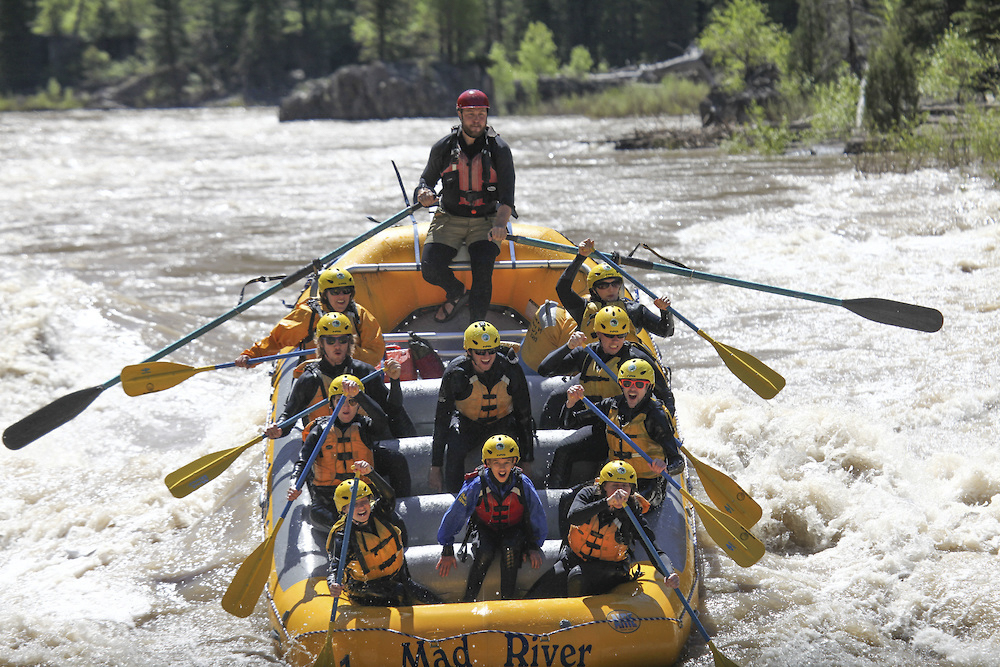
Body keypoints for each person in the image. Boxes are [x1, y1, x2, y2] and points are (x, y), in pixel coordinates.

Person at [267, 312, 413, 494]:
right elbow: (289, 416)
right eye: (330, 341)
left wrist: (395, 381)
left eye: (343, 340)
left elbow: (392, 410)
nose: (337, 346)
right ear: (320, 343)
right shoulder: (309, 379)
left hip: (362, 445)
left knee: (397, 461)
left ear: (350, 342)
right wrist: (279, 429)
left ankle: (400, 506)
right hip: (324, 452)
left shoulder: (364, 372)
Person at [414, 89, 516, 324]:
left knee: (483, 272)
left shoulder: (500, 150)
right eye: (471, 114)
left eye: (481, 113)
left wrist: (501, 224)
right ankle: (456, 292)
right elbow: (425, 180)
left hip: (487, 220)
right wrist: (424, 192)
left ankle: (477, 331)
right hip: (449, 217)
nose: (477, 119)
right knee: (430, 268)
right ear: (459, 114)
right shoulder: (443, 147)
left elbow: (507, 197)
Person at [528, 460, 680, 599]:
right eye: (614, 485)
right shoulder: (587, 495)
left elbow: (654, 548)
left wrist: (669, 572)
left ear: (632, 490)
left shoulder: (632, 513)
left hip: (610, 570)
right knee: (537, 593)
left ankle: (579, 622)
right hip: (575, 559)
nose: (620, 492)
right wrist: (607, 503)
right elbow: (574, 518)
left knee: (578, 575)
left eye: (625, 486)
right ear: (603, 487)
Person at [435, 435, 547, 602]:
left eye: (506, 462)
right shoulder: (476, 484)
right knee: (484, 552)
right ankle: (469, 599)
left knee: (510, 550)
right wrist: (447, 546)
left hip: (514, 529)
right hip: (485, 528)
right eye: (496, 463)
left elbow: (536, 514)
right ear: (487, 464)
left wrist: (533, 545)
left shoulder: (522, 483)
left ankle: (507, 600)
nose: (502, 467)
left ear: (514, 462)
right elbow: (456, 513)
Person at [559, 359, 683, 509]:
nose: (632, 389)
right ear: (620, 384)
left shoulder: (656, 415)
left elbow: (678, 462)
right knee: (567, 499)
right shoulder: (611, 405)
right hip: (614, 481)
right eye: (627, 383)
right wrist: (570, 403)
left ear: (649, 386)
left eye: (639, 384)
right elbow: (569, 423)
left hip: (647, 484)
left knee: (624, 506)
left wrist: (665, 468)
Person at [536, 304, 675, 437]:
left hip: (623, 425)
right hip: (590, 420)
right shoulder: (585, 353)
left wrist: (666, 424)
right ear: (598, 334)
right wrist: (568, 347)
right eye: (610, 335)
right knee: (563, 448)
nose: (615, 341)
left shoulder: (637, 358)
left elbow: (665, 394)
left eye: (620, 336)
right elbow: (544, 369)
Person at [430, 321, 535, 494]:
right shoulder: (455, 373)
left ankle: (512, 494)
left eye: (491, 351)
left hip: (501, 423)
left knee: (509, 448)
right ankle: (454, 496)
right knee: (455, 445)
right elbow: (442, 419)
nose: (486, 356)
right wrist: (436, 466)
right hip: (467, 423)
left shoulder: (510, 369)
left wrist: (527, 459)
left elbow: (524, 414)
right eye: (480, 352)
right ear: (469, 352)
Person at [286, 374, 393, 530]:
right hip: (327, 498)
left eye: (352, 401)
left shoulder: (366, 427)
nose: (346, 407)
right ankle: (346, 531)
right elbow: (303, 461)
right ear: (332, 405)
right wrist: (294, 484)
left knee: (388, 516)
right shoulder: (319, 431)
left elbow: (382, 421)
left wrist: (360, 395)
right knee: (317, 514)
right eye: (340, 401)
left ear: (359, 406)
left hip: (361, 494)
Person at [326, 468, 440, 607]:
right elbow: (336, 568)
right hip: (364, 588)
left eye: (364, 501)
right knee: (399, 592)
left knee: (430, 599)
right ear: (343, 510)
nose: (361, 507)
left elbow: (389, 495)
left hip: (395, 577)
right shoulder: (344, 537)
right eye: (354, 505)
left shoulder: (379, 513)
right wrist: (333, 583)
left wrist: (370, 473)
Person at [235, 266, 385, 368]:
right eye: (335, 292)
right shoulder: (308, 315)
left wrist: (347, 353)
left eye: (346, 291)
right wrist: (251, 356)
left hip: (351, 375)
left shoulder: (360, 314)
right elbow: (275, 340)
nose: (341, 296)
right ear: (325, 294)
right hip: (316, 374)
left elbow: (375, 352)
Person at [556, 238, 673, 347]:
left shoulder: (634, 310)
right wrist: (581, 257)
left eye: (615, 283)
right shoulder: (583, 309)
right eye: (603, 285)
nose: (611, 289)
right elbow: (562, 288)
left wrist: (665, 311)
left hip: (628, 365)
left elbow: (666, 331)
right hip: (596, 366)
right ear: (593, 290)